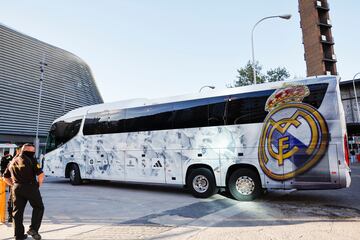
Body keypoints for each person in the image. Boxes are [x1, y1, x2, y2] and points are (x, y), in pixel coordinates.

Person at [3, 143, 45, 240]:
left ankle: (19, 235)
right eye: (32, 151)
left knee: (17, 212)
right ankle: (33, 229)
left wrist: (13, 185)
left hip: (16, 188)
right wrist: (38, 185)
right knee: (39, 207)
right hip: (30, 186)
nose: (33, 153)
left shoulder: (12, 161)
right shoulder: (31, 159)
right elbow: (41, 175)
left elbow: (5, 177)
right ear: (27, 151)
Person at [1, 150, 14, 222]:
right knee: (12, 200)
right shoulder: (9, 158)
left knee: (11, 200)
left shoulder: (4, 158)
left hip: (6, 175)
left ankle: (10, 216)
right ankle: (10, 216)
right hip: (9, 176)